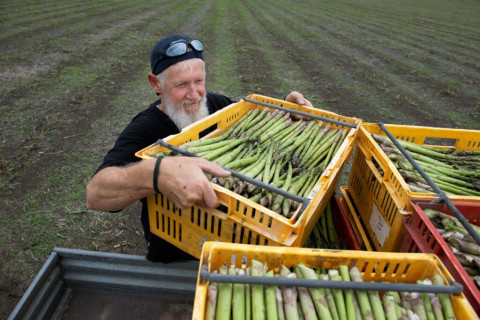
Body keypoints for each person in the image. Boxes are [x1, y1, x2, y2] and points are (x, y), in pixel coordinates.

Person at [86, 34, 313, 263]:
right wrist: (157, 173)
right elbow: (95, 195)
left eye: (199, 81)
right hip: (176, 251)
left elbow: (254, 125)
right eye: (181, 84)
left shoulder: (217, 105)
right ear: (156, 84)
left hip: (233, 241)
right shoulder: (145, 128)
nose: (194, 95)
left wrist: (286, 107)